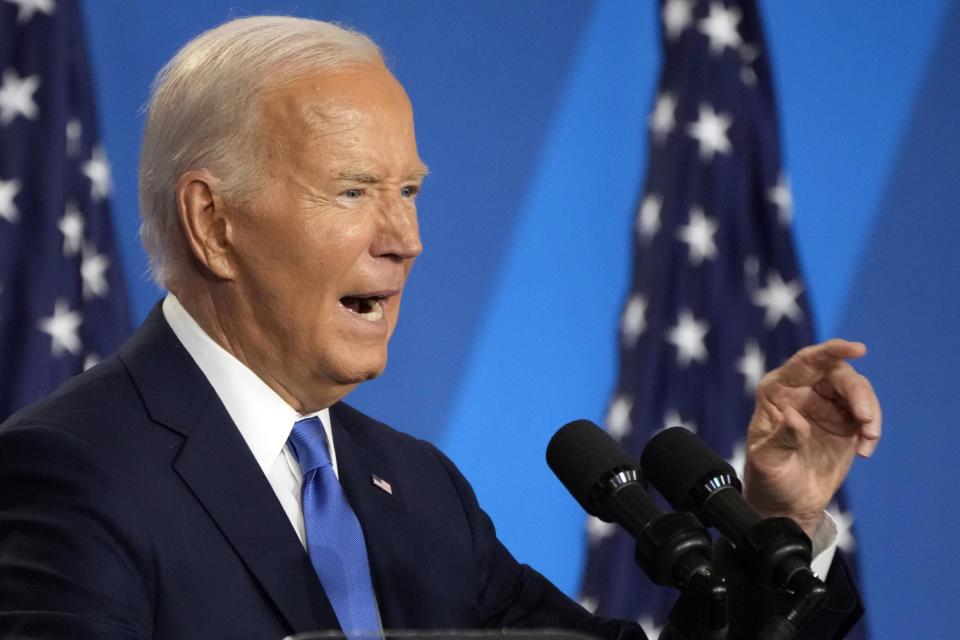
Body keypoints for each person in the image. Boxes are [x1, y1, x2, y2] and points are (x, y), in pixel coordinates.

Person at [0, 16, 880, 640]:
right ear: (214, 223)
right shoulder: (72, 472)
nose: (406, 240)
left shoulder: (419, 492)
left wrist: (777, 519)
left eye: (409, 191)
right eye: (353, 191)